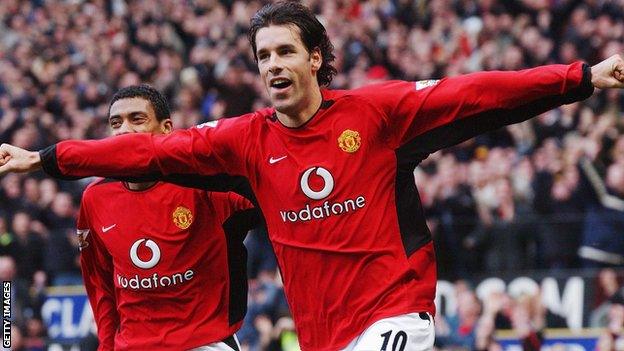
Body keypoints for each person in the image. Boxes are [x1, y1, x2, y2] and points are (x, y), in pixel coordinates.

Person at [2, 2, 624, 350]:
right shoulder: (245, 142)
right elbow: (147, 154)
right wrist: (48, 159)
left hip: (394, 313)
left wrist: (581, 78)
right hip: (323, 334)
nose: (272, 64)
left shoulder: (376, 115)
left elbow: (477, 94)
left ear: (315, 58)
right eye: (263, 55)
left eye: (284, 51)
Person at [74, 85, 259, 350]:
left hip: (203, 342)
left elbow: (272, 208)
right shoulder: (95, 197)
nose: (124, 129)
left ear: (166, 128)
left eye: (137, 119)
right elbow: (100, 283)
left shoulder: (207, 186)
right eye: (116, 123)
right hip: (133, 345)